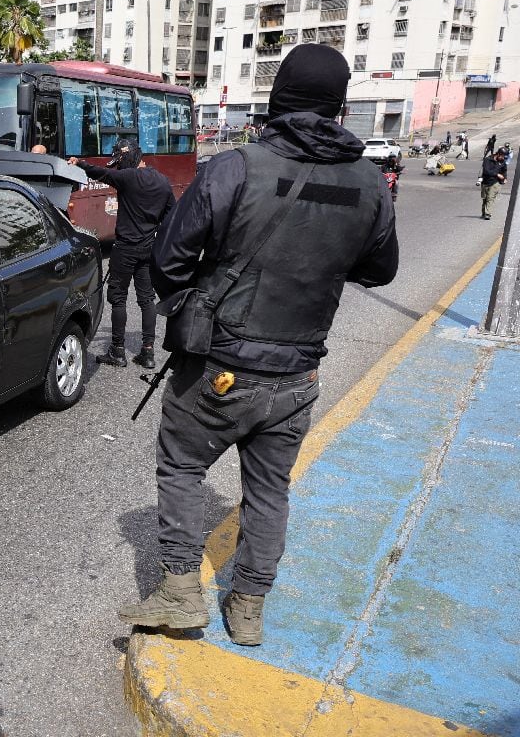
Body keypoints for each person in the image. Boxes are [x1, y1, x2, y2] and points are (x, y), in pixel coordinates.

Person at [117, 44, 398, 647]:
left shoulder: (235, 167)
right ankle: (247, 607)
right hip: (298, 375)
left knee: (182, 465)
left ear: (275, 102)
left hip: (219, 367)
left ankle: (180, 593)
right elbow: (381, 270)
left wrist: (203, 294)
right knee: (269, 491)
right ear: (340, 108)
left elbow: (168, 262)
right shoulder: (371, 182)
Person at [68, 140, 175, 369]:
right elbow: (170, 218)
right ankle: (148, 352)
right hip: (148, 249)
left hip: (125, 249)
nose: (118, 167)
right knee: (147, 299)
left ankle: (117, 350)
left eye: (120, 162)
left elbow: (100, 173)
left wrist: (80, 163)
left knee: (118, 298)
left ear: (127, 159)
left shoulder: (127, 177)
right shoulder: (163, 182)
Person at [481, 148, 508, 220]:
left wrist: (505, 178)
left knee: (490, 198)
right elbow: (486, 171)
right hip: (486, 181)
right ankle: (484, 213)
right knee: (485, 198)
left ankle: (488, 214)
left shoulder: (503, 162)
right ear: (498, 154)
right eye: (502, 156)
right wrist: (497, 174)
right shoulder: (487, 160)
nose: (503, 158)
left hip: (495, 183)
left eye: (504, 156)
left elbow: (504, 171)